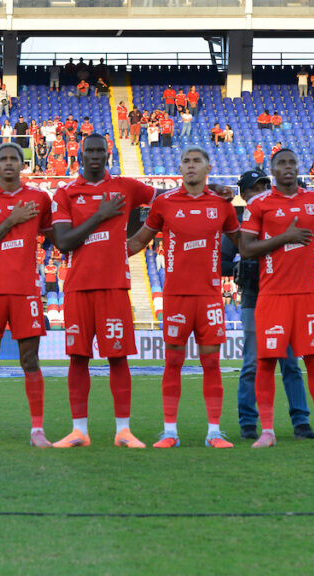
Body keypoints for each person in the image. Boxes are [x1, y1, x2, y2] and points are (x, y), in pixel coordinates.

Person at [126, 146, 239, 448]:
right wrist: (100, 250)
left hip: (210, 297)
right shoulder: (164, 203)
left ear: (208, 168)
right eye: (186, 161)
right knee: (173, 363)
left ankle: (214, 432)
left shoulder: (222, 205)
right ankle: (170, 432)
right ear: (180, 167)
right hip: (175, 297)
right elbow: (137, 242)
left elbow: (242, 242)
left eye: (196, 161)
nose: (190, 166)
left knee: (211, 364)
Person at [238, 148, 314, 448]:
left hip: (308, 295)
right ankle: (267, 432)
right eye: (281, 163)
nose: (287, 167)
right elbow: (246, 249)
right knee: (266, 362)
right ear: (272, 171)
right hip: (272, 295)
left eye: (291, 162)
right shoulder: (258, 204)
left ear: (297, 167)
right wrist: (285, 238)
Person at [50, 134, 156, 449]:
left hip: (114, 286)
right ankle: (79, 431)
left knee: (118, 357)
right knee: (78, 358)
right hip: (78, 287)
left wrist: (206, 192)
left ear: (108, 153)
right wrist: (101, 215)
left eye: (100, 150)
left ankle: (123, 430)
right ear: (80, 154)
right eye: (89, 150)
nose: (95, 155)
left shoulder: (126, 186)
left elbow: (165, 199)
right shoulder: (65, 193)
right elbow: (64, 241)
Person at [0, 143, 56, 448]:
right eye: (2, 159)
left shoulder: (39, 198)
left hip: (26, 290)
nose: (8, 163)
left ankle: (37, 431)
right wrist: (11, 220)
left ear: (22, 164)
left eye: (13, 159)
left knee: (30, 359)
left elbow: (56, 235)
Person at [222, 169, 314, 440]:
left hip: (283, 299)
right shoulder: (241, 226)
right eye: (253, 188)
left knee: (290, 363)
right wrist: (241, 263)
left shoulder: (280, 219)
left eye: (263, 185)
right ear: (243, 194)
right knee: (253, 363)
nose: (258, 191)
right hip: (253, 299)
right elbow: (223, 262)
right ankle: (248, 423)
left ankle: (301, 422)